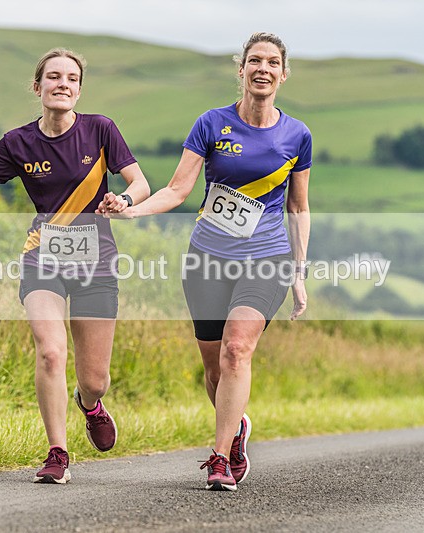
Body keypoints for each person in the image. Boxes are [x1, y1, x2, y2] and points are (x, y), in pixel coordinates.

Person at [0, 48, 150, 484]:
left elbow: (140, 182)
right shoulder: (17, 142)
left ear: (79, 89)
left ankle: (89, 404)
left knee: (95, 379)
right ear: (38, 87)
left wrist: (125, 200)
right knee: (51, 350)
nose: (63, 84)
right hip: (44, 258)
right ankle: (57, 452)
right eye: (53, 77)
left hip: (97, 263)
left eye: (71, 78)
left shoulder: (100, 130)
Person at [98, 32, 311, 491]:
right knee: (214, 369)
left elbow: (297, 207)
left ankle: (218, 458)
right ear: (241, 69)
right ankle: (235, 431)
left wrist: (298, 271)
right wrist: (132, 209)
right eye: (255, 61)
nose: (263, 69)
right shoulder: (211, 124)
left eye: (272, 62)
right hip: (208, 258)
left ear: (283, 73)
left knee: (238, 349)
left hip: (266, 256)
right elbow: (178, 190)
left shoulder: (297, 135)